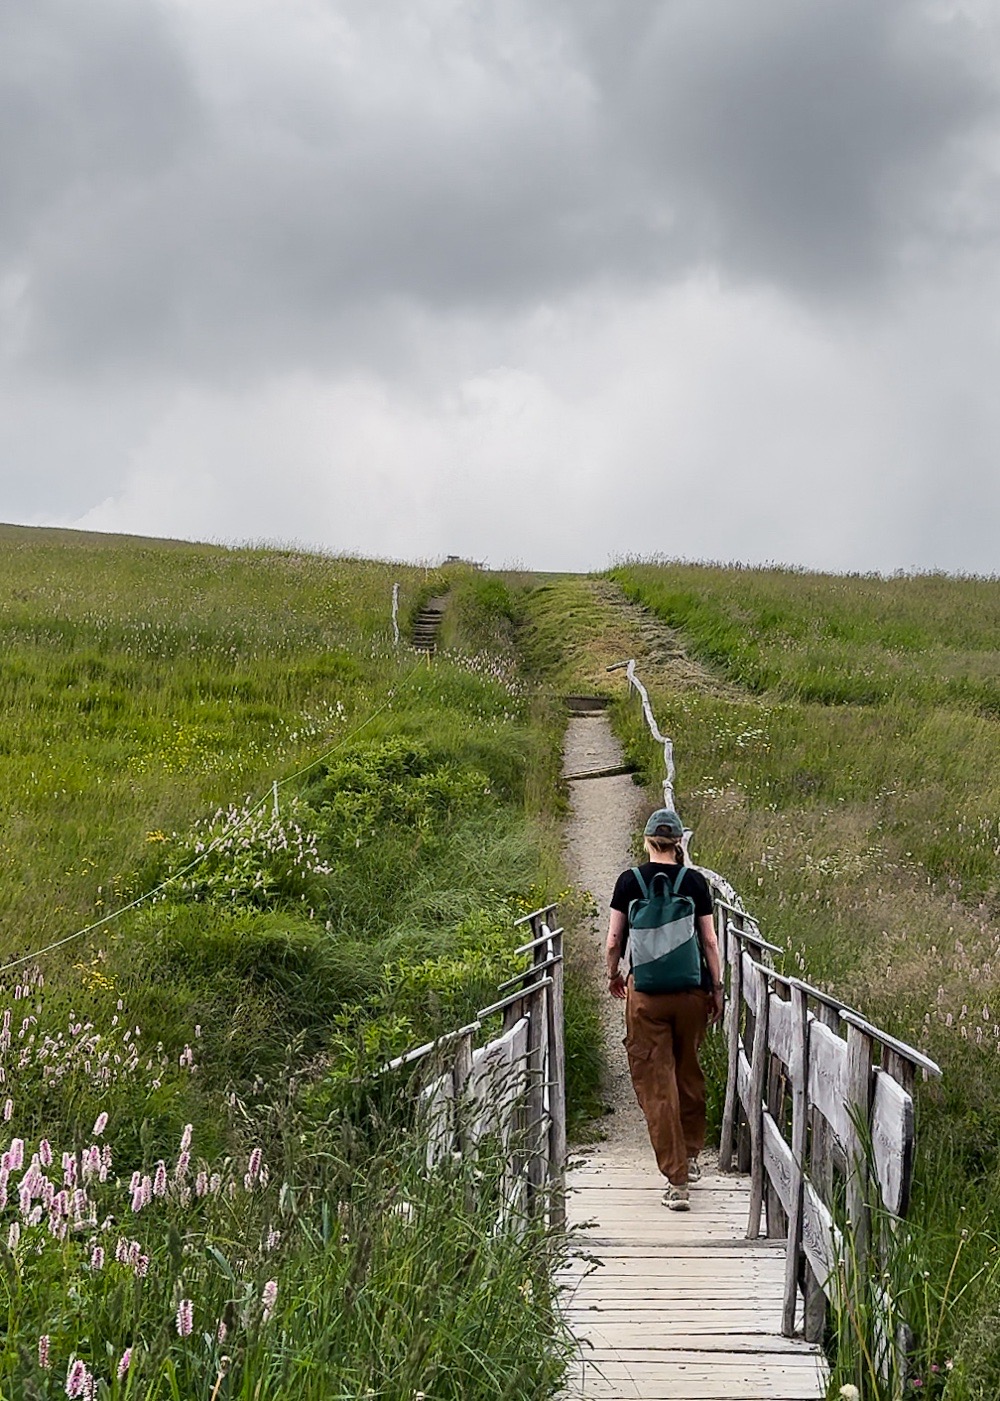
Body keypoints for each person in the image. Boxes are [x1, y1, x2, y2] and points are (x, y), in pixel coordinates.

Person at [607, 808, 724, 1211]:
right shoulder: (694, 882)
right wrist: (718, 988)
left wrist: (613, 975)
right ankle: (690, 1156)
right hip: (691, 993)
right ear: (679, 843)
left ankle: (676, 1183)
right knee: (688, 1071)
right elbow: (709, 942)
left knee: (657, 1083)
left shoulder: (630, 882)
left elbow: (613, 941)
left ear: (646, 841)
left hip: (647, 997)